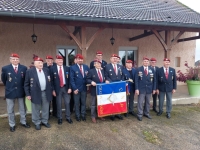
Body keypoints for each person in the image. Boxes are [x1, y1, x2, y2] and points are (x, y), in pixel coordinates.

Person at [1, 53, 30, 132]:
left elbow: (25, 80)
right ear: (10, 60)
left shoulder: (23, 68)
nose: (15, 60)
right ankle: (12, 124)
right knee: (10, 109)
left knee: (22, 108)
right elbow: (4, 80)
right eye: (13, 59)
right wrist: (9, 86)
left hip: (21, 91)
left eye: (17, 59)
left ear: (19, 60)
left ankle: (23, 122)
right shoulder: (5, 68)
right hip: (10, 92)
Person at [24, 57, 52, 130]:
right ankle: (37, 122)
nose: (41, 64)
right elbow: (26, 84)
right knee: (36, 108)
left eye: (41, 63)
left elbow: (50, 81)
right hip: (35, 93)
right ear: (35, 64)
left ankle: (44, 121)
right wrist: (28, 94)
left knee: (46, 108)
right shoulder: (30, 71)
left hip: (46, 92)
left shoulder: (46, 70)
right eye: (39, 63)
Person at [50, 55, 72, 124]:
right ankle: (60, 118)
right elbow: (51, 81)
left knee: (67, 103)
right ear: (56, 61)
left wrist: (70, 88)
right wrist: (53, 90)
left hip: (65, 88)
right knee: (58, 104)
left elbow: (70, 79)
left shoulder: (67, 68)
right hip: (57, 89)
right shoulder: (52, 69)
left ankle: (68, 117)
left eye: (61, 60)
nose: (60, 61)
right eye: (59, 60)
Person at [135, 57, 156, 121]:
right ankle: (139, 114)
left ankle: (146, 113)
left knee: (148, 102)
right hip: (141, 89)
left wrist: (154, 89)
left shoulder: (151, 69)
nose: (146, 62)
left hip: (149, 89)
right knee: (140, 102)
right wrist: (137, 89)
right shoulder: (139, 69)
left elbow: (154, 80)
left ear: (149, 62)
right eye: (144, 61)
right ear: (142, 62)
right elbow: (136, 80)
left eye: (147, 61)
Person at [104, 54, 124, 121]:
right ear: (110, 59)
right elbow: (106, 75)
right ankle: (112, 114)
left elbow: (122, 75)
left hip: (118, 86)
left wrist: (121, 80)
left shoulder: (120, 66)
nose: (115, 59)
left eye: (116, 58)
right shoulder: (107, 66)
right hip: (111, 86)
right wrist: (110, 81)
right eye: (113, 58)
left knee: (118, 100)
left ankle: (118, 114)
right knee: (112, 100)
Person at [70, 54, 89, 122]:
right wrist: (74, 88)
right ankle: (77, 116)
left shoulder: (86, 67)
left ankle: (83, 114)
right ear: (76, 60)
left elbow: (89, 75)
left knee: (83, 103)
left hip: (84, 88)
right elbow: (71, 79)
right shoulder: (73, 67)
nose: (80, 60)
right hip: (76, 89)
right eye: (79, 59)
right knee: (76, 103)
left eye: (81, 59)